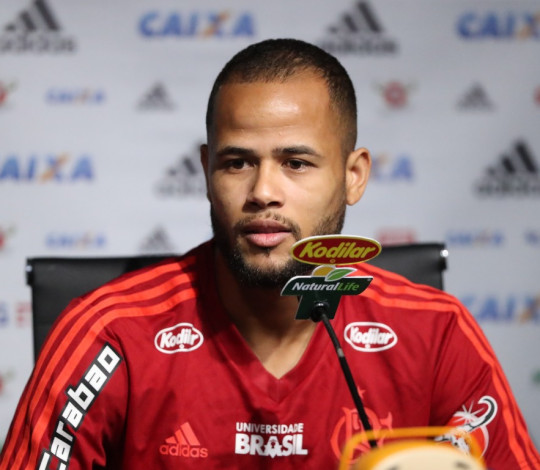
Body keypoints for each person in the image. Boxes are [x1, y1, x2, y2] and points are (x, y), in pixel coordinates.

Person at [1, 38, 538, 470]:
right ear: (206, 172)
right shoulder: (109, 333)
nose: (263, 192)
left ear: (353, 176)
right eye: (237, 163)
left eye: (296, 163)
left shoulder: (437, 333)